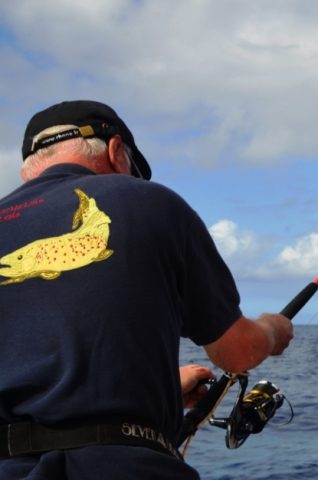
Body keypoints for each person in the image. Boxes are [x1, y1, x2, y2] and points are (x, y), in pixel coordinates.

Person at [0, 100, 294, 479]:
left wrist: (165, 389)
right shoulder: (151, 201)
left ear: (29, 170)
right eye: (133, 172)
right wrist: (273, 330)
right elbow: (238, 352)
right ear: (115, 150)